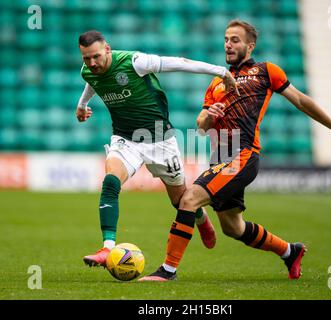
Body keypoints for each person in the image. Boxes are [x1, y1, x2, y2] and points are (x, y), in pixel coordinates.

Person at [140, 19, 331, 281]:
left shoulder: (266, 71)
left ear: (250, 45)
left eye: (235, 40)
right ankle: (290, 251)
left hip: (242, 155)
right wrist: (210, 115)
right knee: (233, 228)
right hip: (220, 158)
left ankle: (168, 271)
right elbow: (200, 126)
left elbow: (300, 100)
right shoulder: (218, 81)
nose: (228, 44)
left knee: (189, 199)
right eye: (225, 39)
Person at [76, 30, 239, 267]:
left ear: (108, 49)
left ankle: (201, 218)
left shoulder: (135, 62)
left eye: (96, 57)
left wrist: (221, 71)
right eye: (86, 59)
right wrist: (82, 105)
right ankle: (107, 248)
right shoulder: (88, 71)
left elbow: (180, 63)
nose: (92, 63)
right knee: (111, 181)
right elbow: (93, 81)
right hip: (125, 140)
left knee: (179, 200)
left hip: (160, 141)